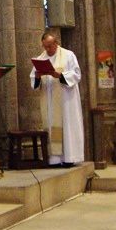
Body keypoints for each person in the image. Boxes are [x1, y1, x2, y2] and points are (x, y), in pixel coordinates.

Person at [29, 32, 84, 167]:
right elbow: (34, 82)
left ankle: (69, 157)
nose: (47, 50)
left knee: (66, 128)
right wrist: (37, 76)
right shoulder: (41, 59)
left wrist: (59, 75)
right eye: (45, 47)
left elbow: (76, 74)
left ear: (56, 43)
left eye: (49, 46)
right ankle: (54, 160)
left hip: (66, 101)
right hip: (49, 101)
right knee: (51, 128)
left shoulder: (68, 55)